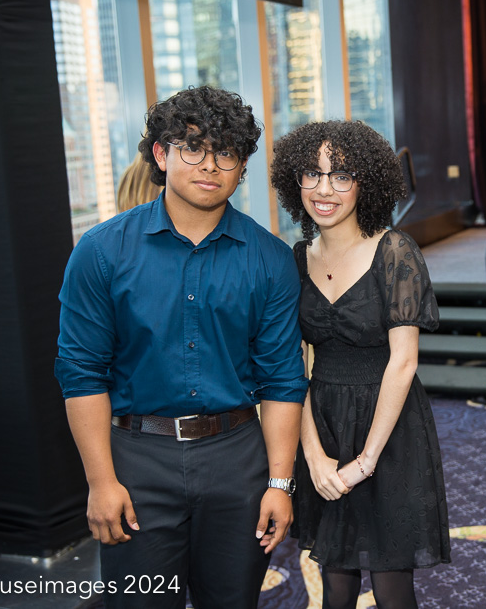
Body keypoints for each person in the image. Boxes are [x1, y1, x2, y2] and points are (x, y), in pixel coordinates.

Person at [55, 86, 307, 608]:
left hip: (236, 459)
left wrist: (280, 483)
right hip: (135, 460)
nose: (210, 165)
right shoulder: (101, 253)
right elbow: (81, 373)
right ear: (161, 154)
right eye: (193, 148)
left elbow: (283, 378)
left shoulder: (271, 259)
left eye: (227, 153)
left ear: (241, 168)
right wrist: (101, 482)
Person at [269, 120, 450, 609]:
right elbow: (293, 367)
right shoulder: (296, 258)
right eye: (313, 174)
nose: (324, 189)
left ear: (364, 183)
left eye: (341, 176)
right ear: (295, 182)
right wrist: (314, 455)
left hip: (388, 430)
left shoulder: (395, 252)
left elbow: (403, 362)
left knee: (393, 589)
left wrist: (364, 462)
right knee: (335, 584)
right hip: (323, 422)